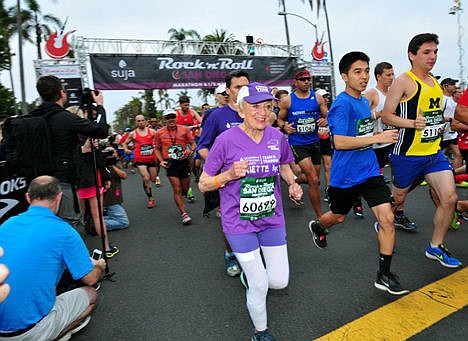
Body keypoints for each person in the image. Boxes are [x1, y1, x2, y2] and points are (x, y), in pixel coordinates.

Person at [199, 82, 303, 340]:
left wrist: (292, 184)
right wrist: (228, 175)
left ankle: (252, 277)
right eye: (255, 106)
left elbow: (285, 167)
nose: (262, 112)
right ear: (241, 110)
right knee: (259, 284)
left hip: (272, 218)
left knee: (279, 282)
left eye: (267, 107)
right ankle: (261, 332)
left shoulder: (277, 137)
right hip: (238, 223)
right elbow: (203, 184)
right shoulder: (225, 141)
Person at [308, 51, 408, 295]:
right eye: (357, 72)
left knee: (386, 218)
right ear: (344, 76)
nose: (363, 77)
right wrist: (378, 137)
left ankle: (383, 275)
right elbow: (340, 142)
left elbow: (362, 130)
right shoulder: (341, 105)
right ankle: (319, 227)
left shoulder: (364, 101)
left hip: (369, 170)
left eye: (366, 70)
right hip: (345, 176)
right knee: (338, 217)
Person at [381, 33, 461, 268]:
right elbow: (387, 115)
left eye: (435, 52)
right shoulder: (404, 81)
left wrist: (438, 125)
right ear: (412, 55)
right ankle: (384, 221)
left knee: (450, 198)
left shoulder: (434, 82)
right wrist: (411, 123)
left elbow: (431, 116)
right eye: (427, 52)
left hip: (433, 153)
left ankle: (435, 247)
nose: (433, 57)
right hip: (407, 154)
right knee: (397, 199)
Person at [0, 176, 106, 340]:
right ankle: (55, 334)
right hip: (25, 332)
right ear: (59, 197)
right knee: (91, 294)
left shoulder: (6, 224)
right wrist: (99, 266)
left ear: (28, 197)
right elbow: (90, 279)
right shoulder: (64, 231)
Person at [32, 75, 109, 231]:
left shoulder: (33, 118)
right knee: (70, 229)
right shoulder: (64, 118)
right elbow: (101, 130)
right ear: (61, 93)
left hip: (37, 185)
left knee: (47, 230)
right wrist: (99, 106)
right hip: (63, 183)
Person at [197, 71, 250, 277]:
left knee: (254, 217)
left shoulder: (257, 113)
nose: (243, 91)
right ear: (228, 91)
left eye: (246, 86)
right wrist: (218, 171)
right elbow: (202, 147)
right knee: (232, 220)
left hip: (256, 180)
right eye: (237, 87)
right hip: (228, 181)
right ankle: (230, 253)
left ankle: (251, 253)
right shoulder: (216, 116)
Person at [363, 62, 418, 231]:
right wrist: (378, 117)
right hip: (376, 145)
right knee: (369, 180)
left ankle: (398, 214)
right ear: (378, 76)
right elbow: (358, 117)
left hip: (394, 143)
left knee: (401, 180)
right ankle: (357, 199)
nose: (391, 78)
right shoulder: (373, 93)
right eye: (388, 75)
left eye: (393, 74)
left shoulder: (397, 93)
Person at [278, 69, 328, 217]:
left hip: (314, 142)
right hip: (298, 144)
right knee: (313, 179)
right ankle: (320, 216)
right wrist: (284, 126)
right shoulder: (288, 100)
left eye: (308, 79)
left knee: (315, 180)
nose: (306, 81)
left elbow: (329, 116)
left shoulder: (317, 98)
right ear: (295, 82)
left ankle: (292, 181)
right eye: (302, 79)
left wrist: (326, 120)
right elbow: (280, 119)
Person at [155, 109, 197, 224]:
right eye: (168, 117)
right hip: (170, 163)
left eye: (172, 116)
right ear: (164, 120)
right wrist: (161, 161)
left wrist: (191, 149)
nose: (171, 119)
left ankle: (185, 193)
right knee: (177, 189)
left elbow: (193, 143)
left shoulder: (184, 129)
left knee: (184, 189)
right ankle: (184, 213)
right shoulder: (159, 133)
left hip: (183, 162)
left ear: (176, 117)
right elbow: (157, 149)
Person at [122, 115, 158, 208]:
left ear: (146, 121)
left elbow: (159, 140)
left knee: (153, 179)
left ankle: (148, 184)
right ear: (136, 122)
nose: (141, 122)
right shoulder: (133, 134)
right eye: (139, 121)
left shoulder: (152, 132)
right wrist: (126, 149)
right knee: (146, 178)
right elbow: (125, 143)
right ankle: (150, 199)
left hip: (151, 158)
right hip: (139, 159)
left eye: (142, 120)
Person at [103, 147, 130, 231]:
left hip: (116, 197)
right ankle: (95, 224)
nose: (112, 155)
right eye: (108, 153)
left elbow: (124, 176)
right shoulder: (101, 166)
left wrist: (112, 166)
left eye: (113, 152)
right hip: (110, 199)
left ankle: (98, 219)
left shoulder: (116, 165)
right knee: (123, 222)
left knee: (115, 216)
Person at [440, 78, 462, 169]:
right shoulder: (442, 99)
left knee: (459, 154)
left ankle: (456, 177)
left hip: (451, 134)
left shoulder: (452, 100)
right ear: (445, 86)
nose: (454, 86)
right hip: (441, 133)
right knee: (430, 157)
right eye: (452, 84)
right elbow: (436, 115)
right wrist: (450, 119)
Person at [315, 88, 333, 202]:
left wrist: (329, 126)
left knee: (328, 166)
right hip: (314, 142)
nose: (325, 99)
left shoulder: (330, 110)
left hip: (325, 140)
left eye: (326, 96)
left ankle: (329, 190)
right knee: (314, 172)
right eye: (323, 97)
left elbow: (336, 124)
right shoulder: (312, 110)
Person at [148, 117, 162, 186]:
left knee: (157, 163)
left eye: (155, 122)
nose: (153, 123)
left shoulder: (159, 129)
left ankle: (156, 176)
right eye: (152, 122)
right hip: (149, 148)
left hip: (157, 148)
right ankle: (151, 174)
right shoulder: (147, 129)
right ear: (150, 122)